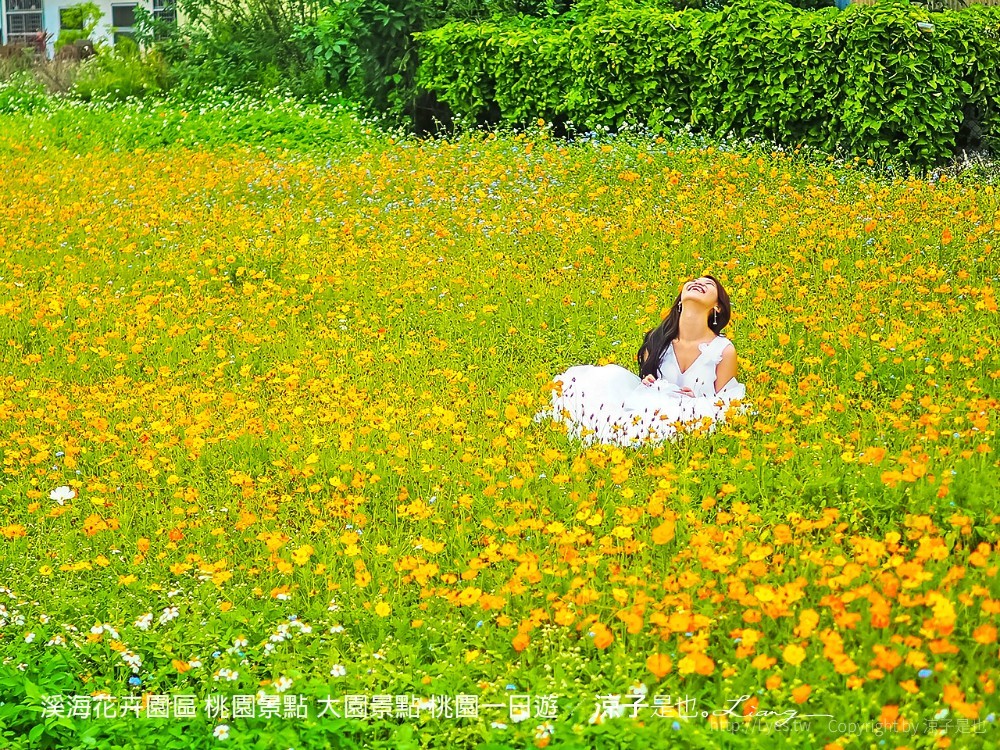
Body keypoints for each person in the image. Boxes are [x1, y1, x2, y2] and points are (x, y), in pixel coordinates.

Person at [534, 274, 748, 447]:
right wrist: (649, 382)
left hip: (687, 416)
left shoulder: (724, 351)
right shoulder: (658, 340)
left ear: (718, 307)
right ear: (681, 301)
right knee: (606, 379)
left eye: (707, 284)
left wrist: (696, 400)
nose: (697, 283)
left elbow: (724, 404)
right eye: (693, 282)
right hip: (650, 406)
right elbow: (648, 380)